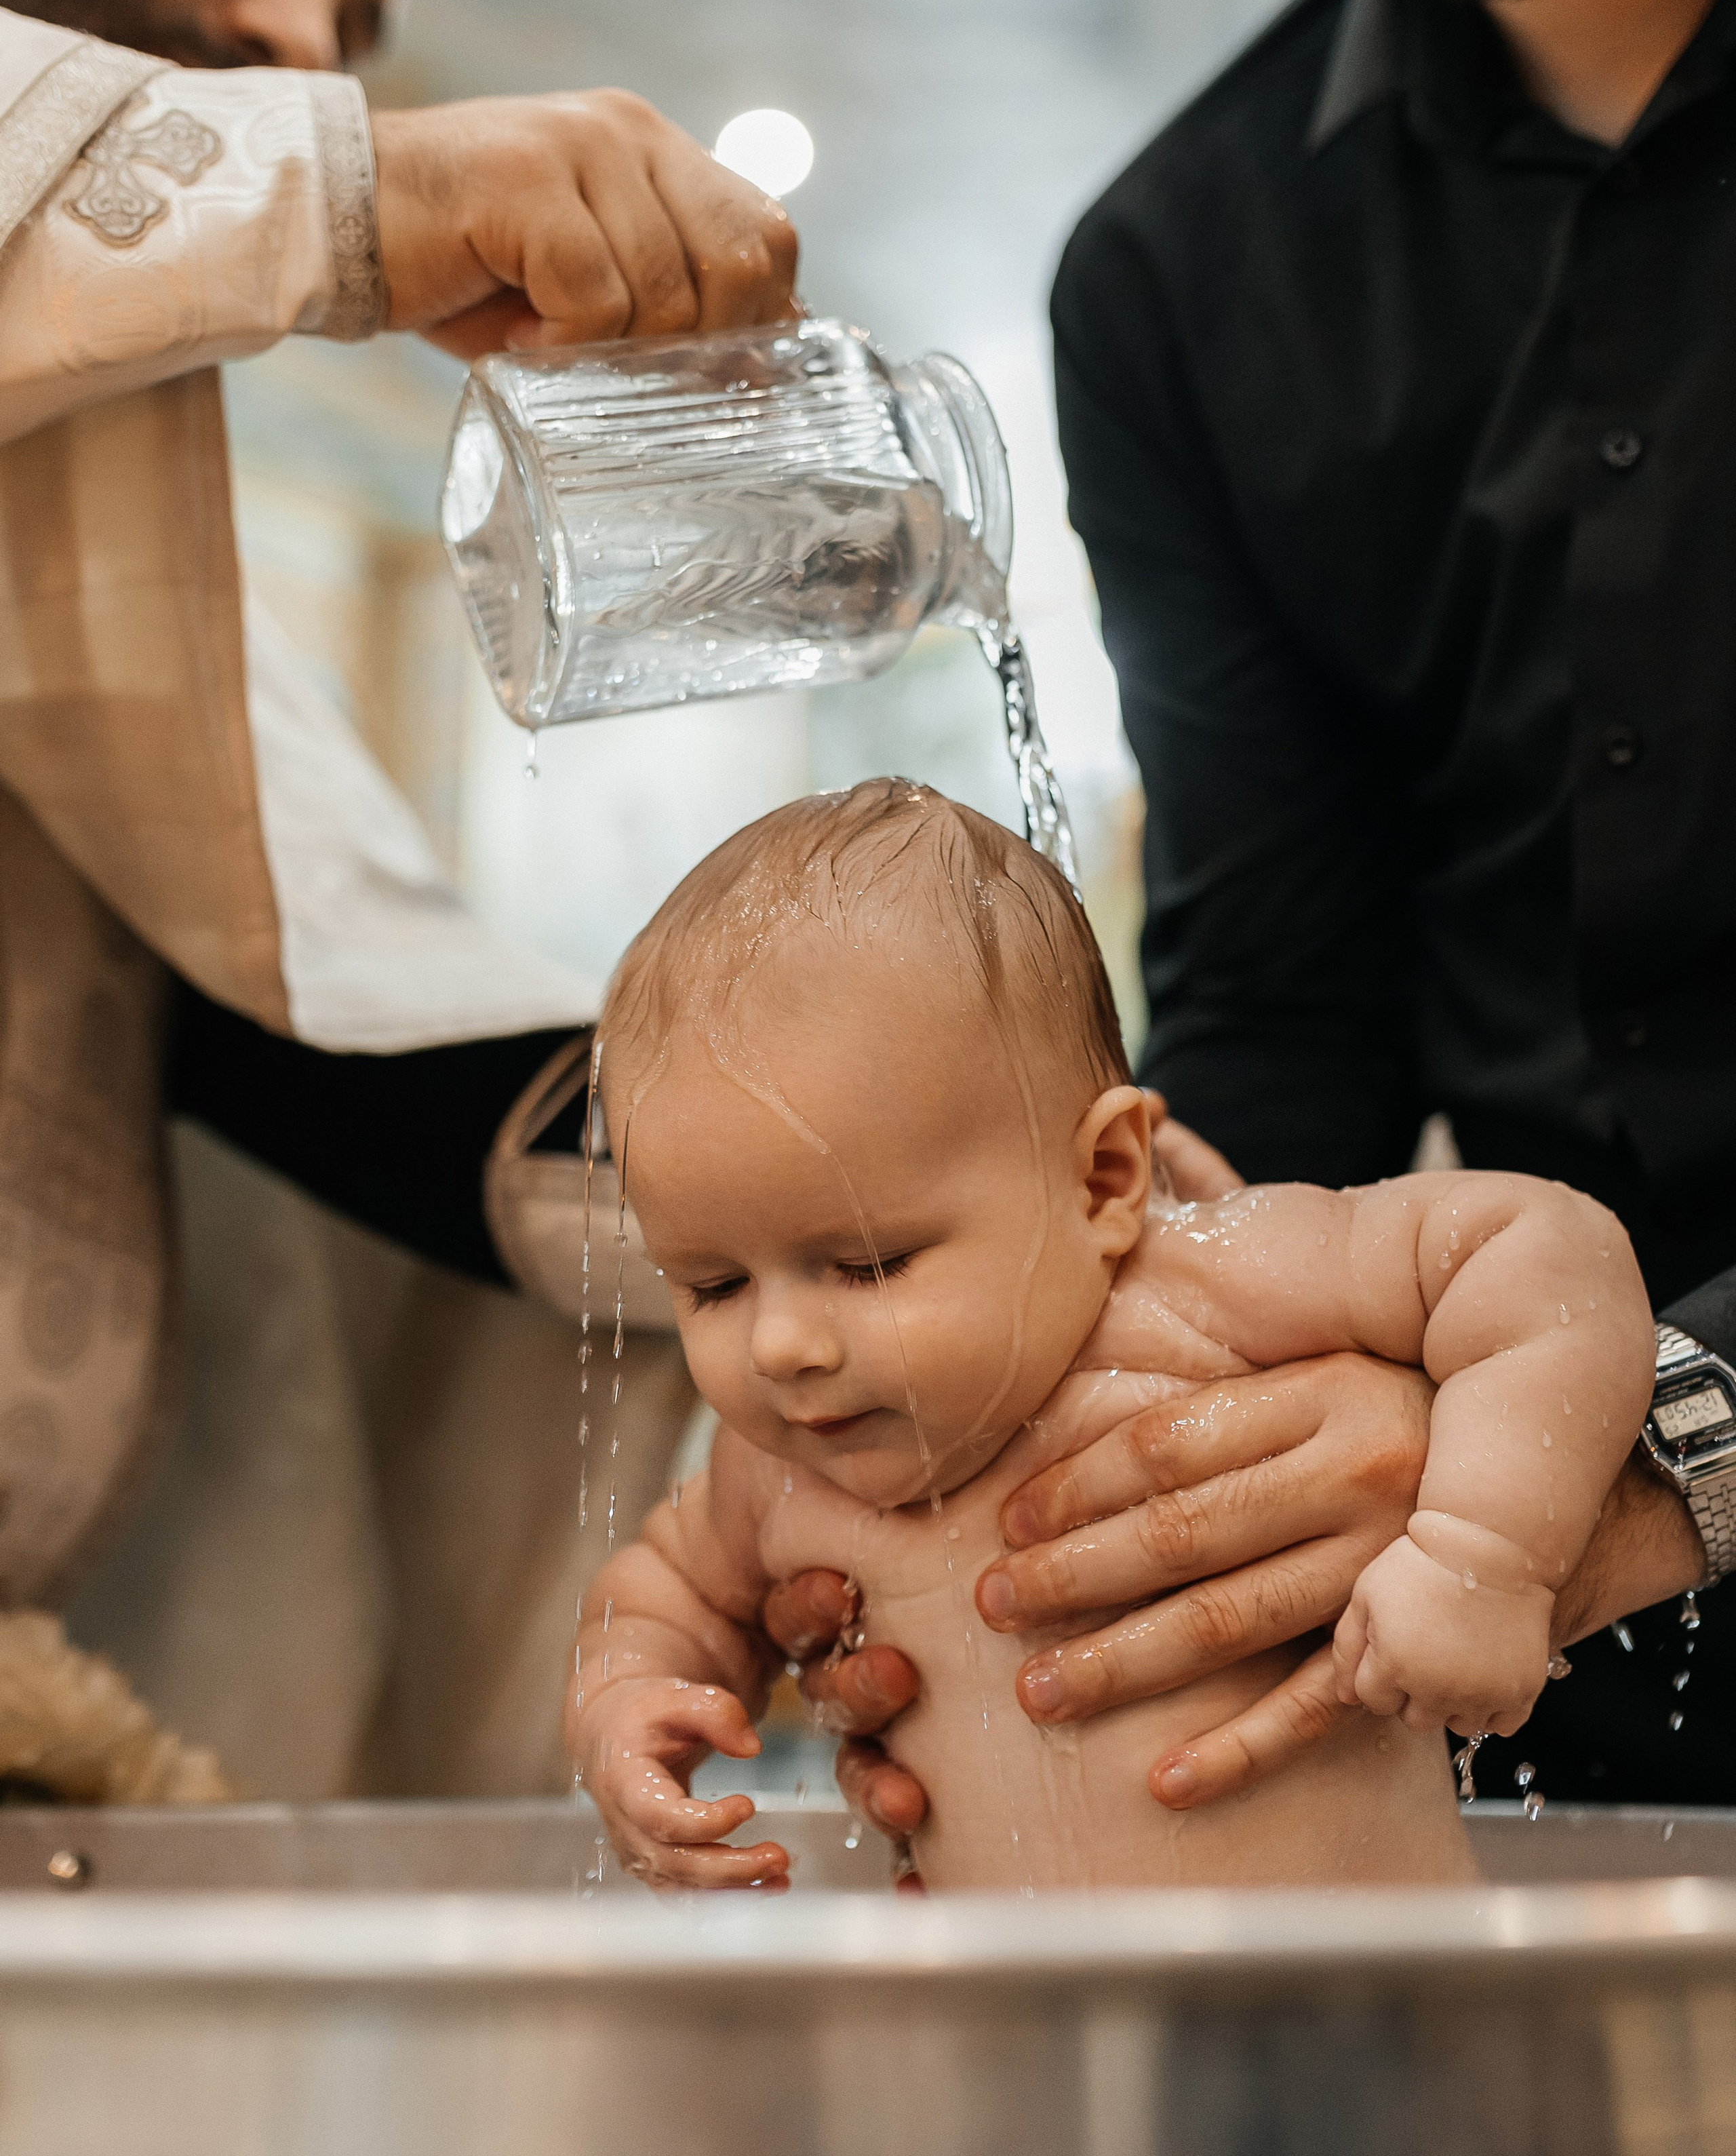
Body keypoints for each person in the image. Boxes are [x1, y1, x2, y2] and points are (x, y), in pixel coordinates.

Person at [797, 0, 1736, 1843]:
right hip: (1545, 1605)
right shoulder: (1182, 266)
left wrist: (1647, 1442)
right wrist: (1090, 1493)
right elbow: (1281, 1000)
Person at [0, 0, 795, 1792]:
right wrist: (356, 193)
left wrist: (896, 1184)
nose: (301, 38)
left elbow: (344, 1042)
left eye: (356, 26)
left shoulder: (102, 572)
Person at [568, 782, 1653, 1891]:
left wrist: (1481, 1554)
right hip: (1026, 2001)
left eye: (869, 1264)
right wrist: (626, 1705)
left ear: (1102, 1179)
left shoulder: (1208, 1284)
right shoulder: (780, 1467)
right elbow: (664, 1595)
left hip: (1368, 1985)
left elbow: (1549, 1253)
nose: (781, 1346)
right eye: (713, 1286)